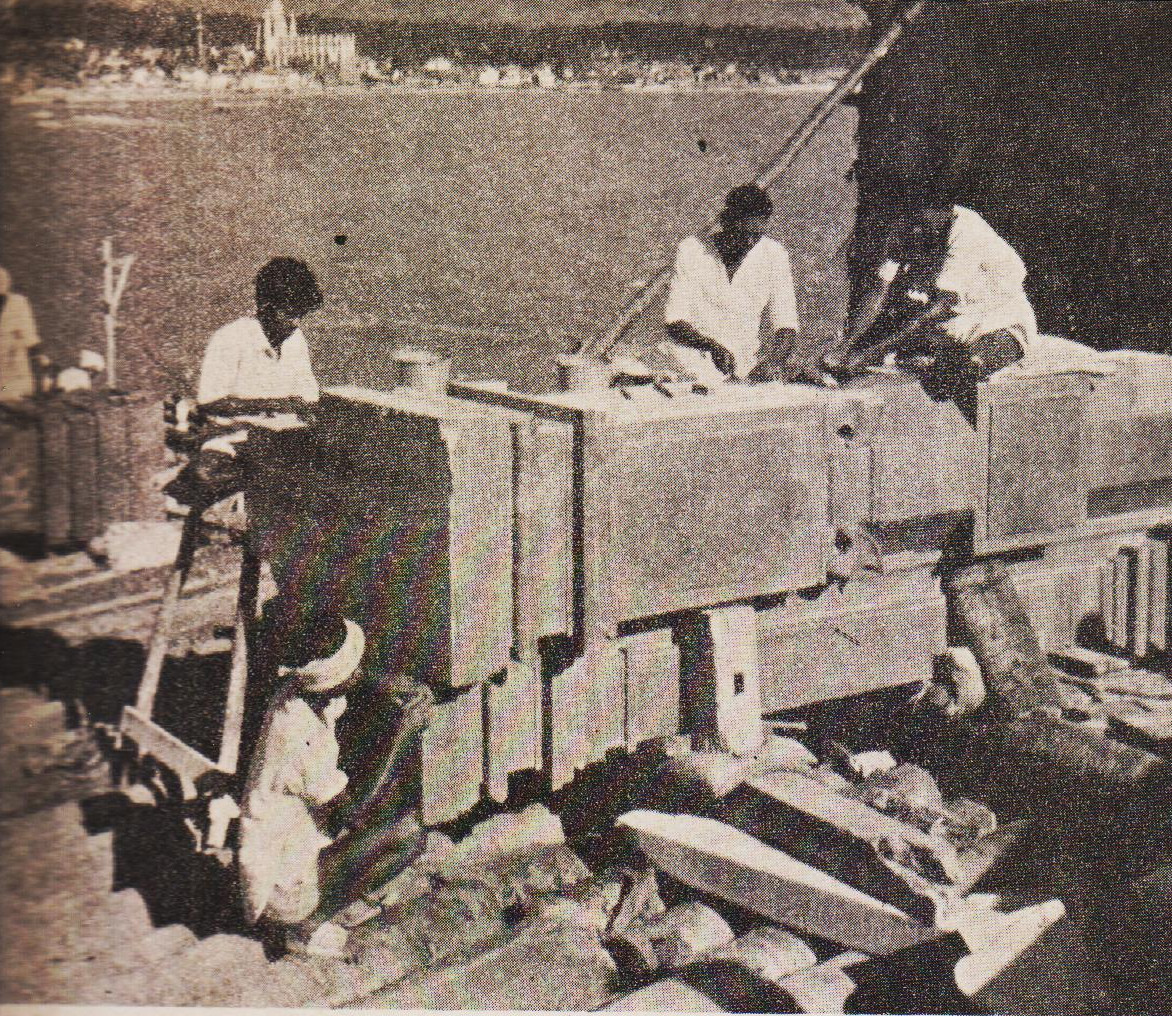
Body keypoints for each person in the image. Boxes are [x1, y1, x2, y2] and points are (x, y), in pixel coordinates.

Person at [238, 615, 364, 957]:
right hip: (279, 887)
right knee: (405, 836)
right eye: (353, 669)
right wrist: (405, 731)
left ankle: (307, 913)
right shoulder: (300, 737)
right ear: (330, 681)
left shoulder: (296, 693)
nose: (360, 673)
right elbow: (354, 815)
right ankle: (303, 927)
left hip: (276, 847)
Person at [837, 191, 1038, 390]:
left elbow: (938, 309)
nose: (913, 228)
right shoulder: (908, 226)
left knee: (963, 370)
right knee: (908, 354)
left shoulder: (966, 230)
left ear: (943, 210)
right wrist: (847, 345)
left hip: (1000, 325)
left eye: (920, 218)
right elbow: (878, 292)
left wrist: (865, 355)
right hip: (945, 331)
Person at [660, 184, 803, 387]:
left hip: (743, 372)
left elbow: (786, 323)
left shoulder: (774, 255)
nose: (749, 243)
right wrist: (710, 346)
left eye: (756, 236)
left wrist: (774, 361)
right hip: (687, 366)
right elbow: (675, 321)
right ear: (726, 223)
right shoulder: (692, 250)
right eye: (742, 234)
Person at [197, 256, 323, 413]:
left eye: (301, 314)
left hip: (285, 433)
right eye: (289, 313)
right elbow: (209, 403)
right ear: (266, 306)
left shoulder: (295, 339)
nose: (296, 323)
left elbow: (309, 397)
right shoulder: (230, 338)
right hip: (237, 434)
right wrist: (271, 405)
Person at [0, 267, 41, 402]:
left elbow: (31, 339)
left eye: (2, 282)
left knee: (8, 393)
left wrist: (40, 360)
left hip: (14, 377)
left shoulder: (18, 304)